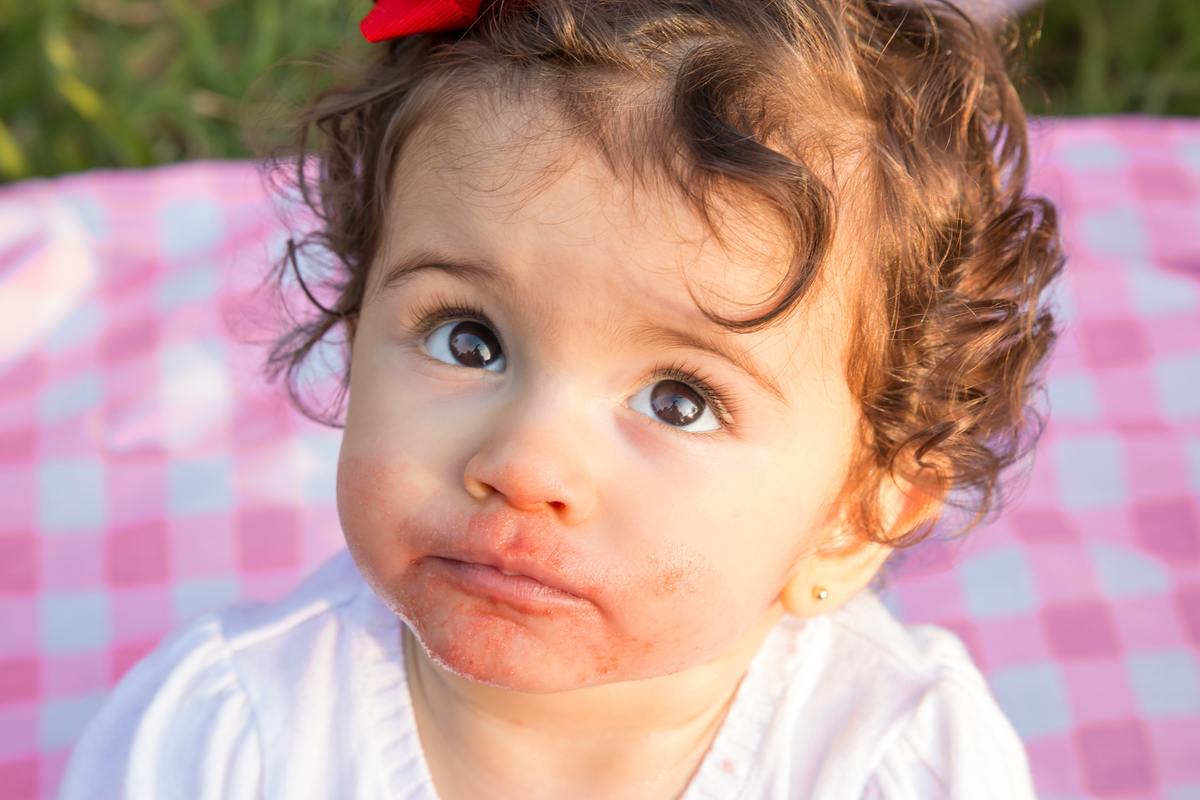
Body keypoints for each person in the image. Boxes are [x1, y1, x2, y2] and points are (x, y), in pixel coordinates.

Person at [58, 0, 1063, 797]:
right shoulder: (225, 738)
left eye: (678, 399)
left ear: (854, 518)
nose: (524, 462)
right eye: (469, 339)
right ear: (356, 327)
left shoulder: (898, 759)